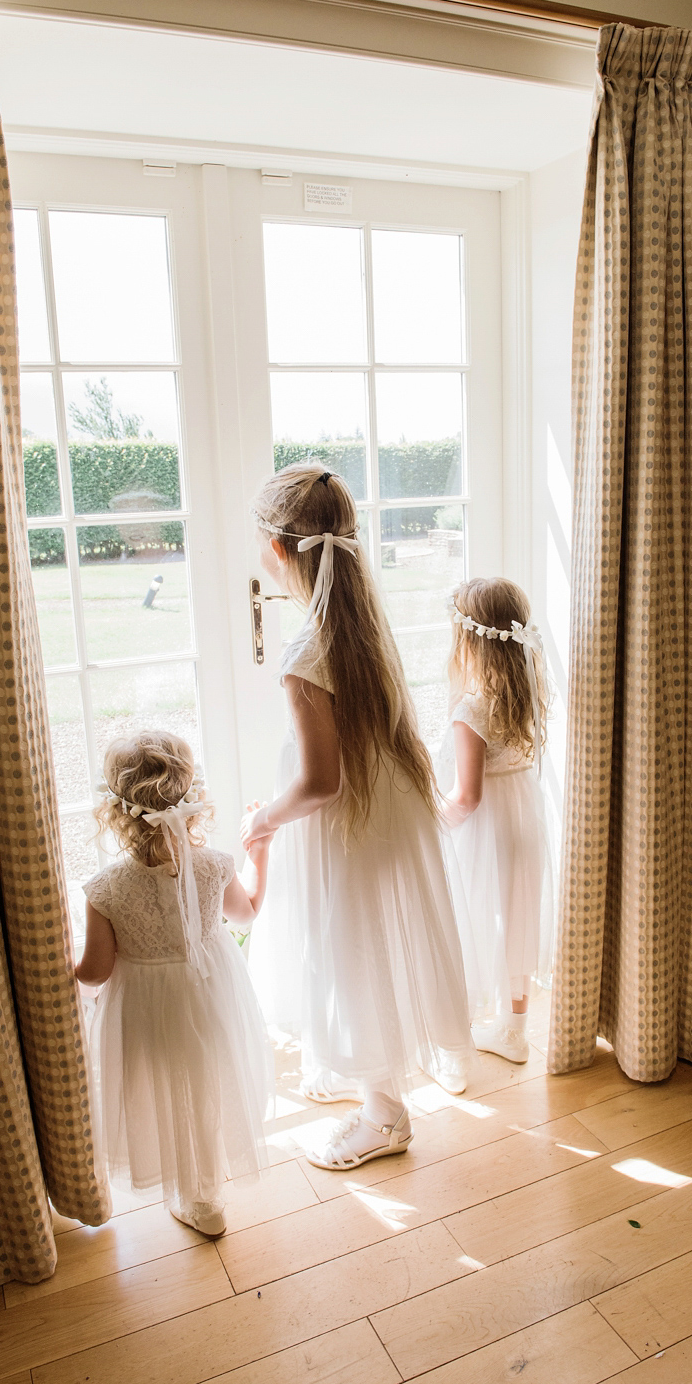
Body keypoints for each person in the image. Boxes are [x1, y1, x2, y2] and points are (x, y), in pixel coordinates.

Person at [242, 464, 472, 1171]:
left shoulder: (305, 650)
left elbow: (319, 780)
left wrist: (264, 821)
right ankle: (365, 1074)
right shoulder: (362, 624)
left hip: (345, 825)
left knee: (351, 953)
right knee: (364, 946)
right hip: (385, 812)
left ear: (278, 551)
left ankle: (385, 1116)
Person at [76, 730, 273, 1237]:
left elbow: (95, 972)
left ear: (117, 813)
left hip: (148, 1007)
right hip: (210, 995)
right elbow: (246, 913)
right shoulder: (212, 865)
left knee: (164, 1089)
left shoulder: (107, 888)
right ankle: (207, 1196)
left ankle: (190, 1190)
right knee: (205, 1080)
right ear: (192, 801)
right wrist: (260, 853)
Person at [438, 578, 555, 1064]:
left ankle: (458, 1028)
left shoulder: (472, 709)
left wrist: (434, 823)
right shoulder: (528, 691)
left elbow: (467, 796)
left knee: (472, 918)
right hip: (527, 817)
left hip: (487, 831)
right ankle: (515, 1031)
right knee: (520, 917)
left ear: (468, 641)